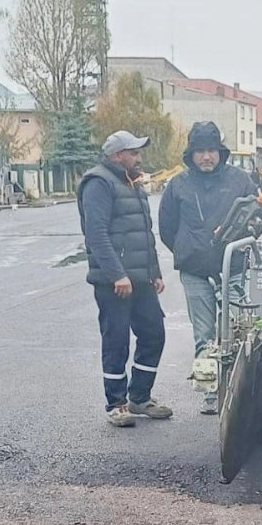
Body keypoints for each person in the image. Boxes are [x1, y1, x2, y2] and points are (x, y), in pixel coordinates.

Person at [158, 120, 256, 414]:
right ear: (191, 154)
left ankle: (237, 388)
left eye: (211, 150)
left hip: (234, 266)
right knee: (204, 333)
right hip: (195, 271)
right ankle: (210, 391)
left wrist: (237, 238)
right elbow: (166, 227)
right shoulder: (178, 185)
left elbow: (256, 220)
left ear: (220, 152)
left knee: (237, 328)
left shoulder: (239, 181)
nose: (206, 157)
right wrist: (188, 249)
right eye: (200, 151)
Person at [76, 130, 173, 428]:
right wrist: (116, 274)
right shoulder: (99, 183)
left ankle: (140, 397)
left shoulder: (132, 183)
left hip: (140, 280)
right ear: (118, 155)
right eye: (133, 152)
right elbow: (96, 234)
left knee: (154, 333)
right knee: (116, 341)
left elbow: (144, 233)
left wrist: (153, 271)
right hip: (113, 282)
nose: (138, 157)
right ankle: (116, 404)